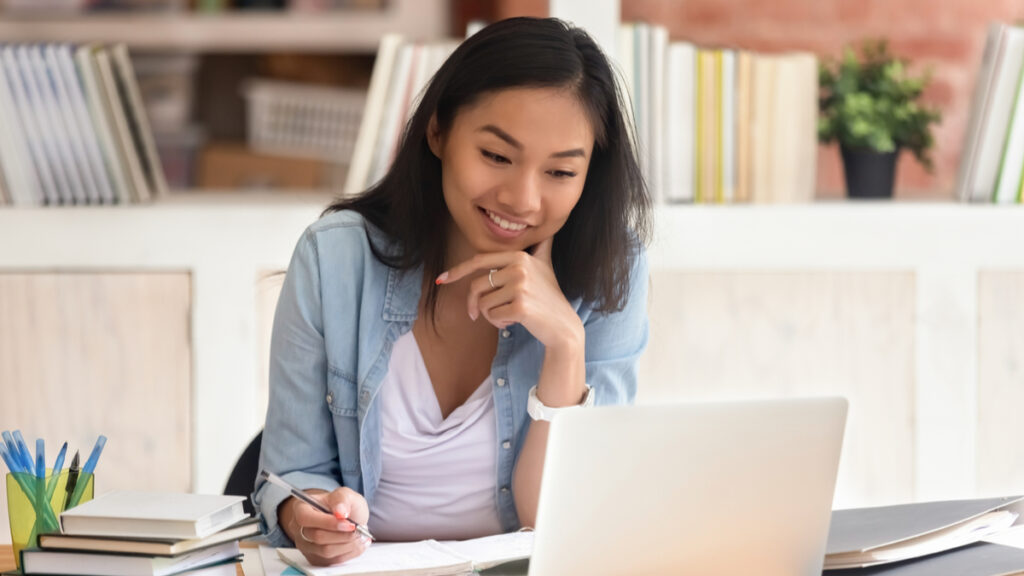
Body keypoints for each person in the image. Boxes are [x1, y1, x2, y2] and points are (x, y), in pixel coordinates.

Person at [252, 16, 652, 567]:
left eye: (560, 172)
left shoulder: (613, 271)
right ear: (437, 132)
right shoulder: (335, 259)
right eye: (496, 156)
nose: (523, 199)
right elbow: (290, 473)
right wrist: (313, 517)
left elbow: (560, 522)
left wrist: (566, 345)